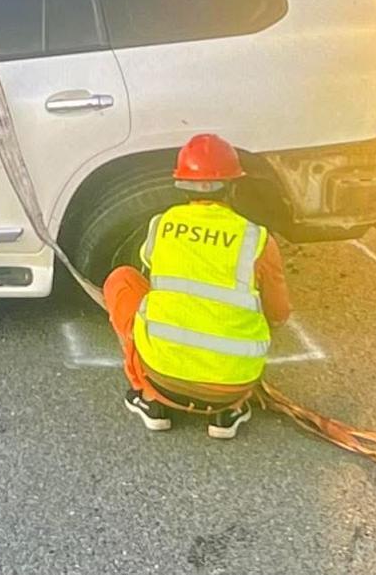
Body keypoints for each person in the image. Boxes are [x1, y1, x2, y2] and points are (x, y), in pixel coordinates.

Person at [103, 133, 291, 440]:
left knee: (122, 281)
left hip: (164, 378)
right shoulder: (255, 238)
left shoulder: (162, 224)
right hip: (232, 386)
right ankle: (226, 414)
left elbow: (152, 278)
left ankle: (149, 400)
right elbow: (279, 312)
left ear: (182, 185)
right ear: (232, 185)